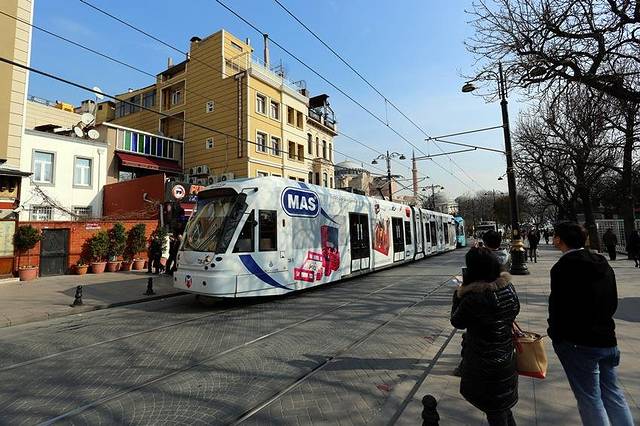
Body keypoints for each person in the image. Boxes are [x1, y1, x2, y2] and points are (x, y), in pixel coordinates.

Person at [548, 222, 634, 426]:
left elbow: (559, 307)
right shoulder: (601, 262)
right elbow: (612, 300)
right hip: (606, 338)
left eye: (555, 235)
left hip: (578, 342)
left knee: (590, 399)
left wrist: (556, 334)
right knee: (613, 394)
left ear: (560, 240)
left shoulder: (562, 268)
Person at [451, 247, 520, 426]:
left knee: (495, 412)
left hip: (484, 364)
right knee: (502, 407)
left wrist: (459, 293)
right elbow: (514, 311)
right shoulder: (508, 288)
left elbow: (457, 321)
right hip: (507, 357)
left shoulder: (474, 299)